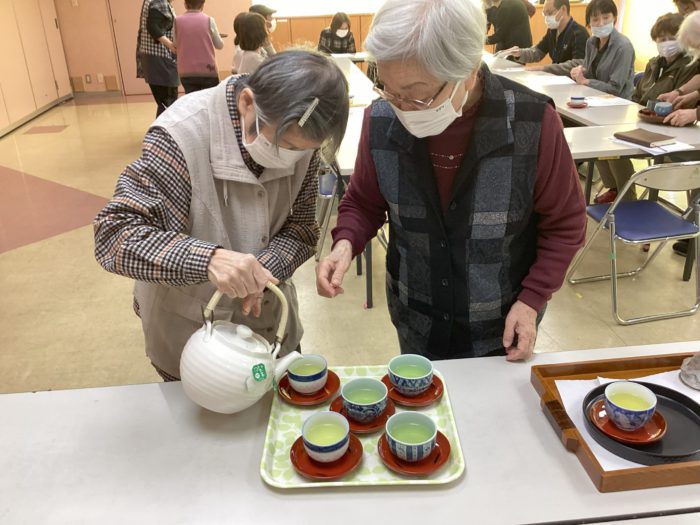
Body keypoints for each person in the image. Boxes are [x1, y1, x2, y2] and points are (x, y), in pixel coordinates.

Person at [316, 0, 586, 362]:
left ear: (469, 70)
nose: (401, 107)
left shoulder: (532, 123)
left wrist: (533, 298)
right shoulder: (381, 119)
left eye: (417, 94)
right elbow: (364, 201)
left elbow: (565, 224)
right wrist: (345, 243)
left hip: (503, 322)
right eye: (389, 89)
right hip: (417, 316)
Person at [94, 50, 349, 381]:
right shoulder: (180, 136)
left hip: (269, 330)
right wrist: (209, 260)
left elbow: (301, 230)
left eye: (303, 150)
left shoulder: (304, 143)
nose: (291, 158)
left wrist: (262, 271)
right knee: (205, 410)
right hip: (191, 339)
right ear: (247, 103)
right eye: (284, 144)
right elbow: (115, 235)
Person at [593, 12, 695, 205]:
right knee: (601, 137)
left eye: (671, 38)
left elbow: (681, 104)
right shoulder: (654, 63)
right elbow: (637, 97)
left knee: (614, 146)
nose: (666, 43)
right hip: (643, 123)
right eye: (661, 39)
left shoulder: (689, 66)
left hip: (671, 131)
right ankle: (615, 189)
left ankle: (627, 200)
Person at [541, 0, 635, 99]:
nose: (601, 23)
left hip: (618, 102)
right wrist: (578, 72)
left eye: (606, 18)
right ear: (589, 23)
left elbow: (615, 88)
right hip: (593, 97)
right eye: (595, 19)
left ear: (614, 19)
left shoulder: (623, 47)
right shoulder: (591, 42)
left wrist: (585, 81)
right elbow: (587, 72)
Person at [500, 0, 588, 73]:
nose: (547, 18)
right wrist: (519, 53)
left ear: (563, 9)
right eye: (544, 14)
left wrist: (544, 68)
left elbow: (578, 64)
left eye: (549, 13)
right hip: (556, 80)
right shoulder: (552, 31)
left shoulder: (579, 33)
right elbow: (538, 52)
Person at [137, 0, 179, 117]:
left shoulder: (152, 1)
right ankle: (162, 128)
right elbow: (152, 27)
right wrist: (170, 45)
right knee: (168, 103)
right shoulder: (159, 1)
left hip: (152, 59)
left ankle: (161, 127)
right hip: (160, 59)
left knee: (164, 103)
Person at [174, 0, 224, 94]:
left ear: (185, 4)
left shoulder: (177, 21)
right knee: (210, 99)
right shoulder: (209, 20)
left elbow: (175, 43)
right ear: (202, 4)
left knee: (192, 99)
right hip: (208, 70)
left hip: (186, 71)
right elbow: (219, 45)